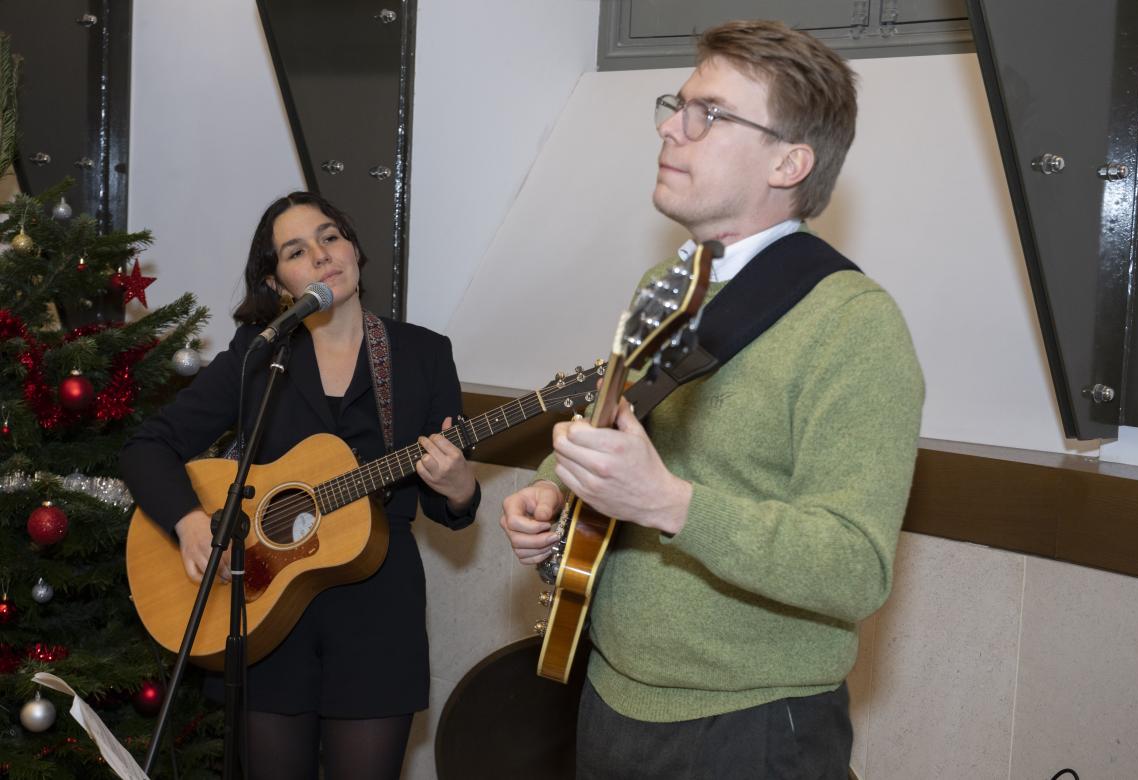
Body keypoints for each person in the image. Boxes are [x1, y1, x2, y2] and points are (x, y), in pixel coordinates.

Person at [499, 19, 924, 779]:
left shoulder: (855, 324)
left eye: (711, 114)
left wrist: (669, 504)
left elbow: (856, 567)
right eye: (678, 105)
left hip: (751, 725)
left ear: (789, 162)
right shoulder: (666, 286)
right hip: (610, 691)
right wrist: (551, 489)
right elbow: (619, 429)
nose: (672, 127)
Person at [121, 191, 480, 779]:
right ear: (277, 284)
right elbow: (147, 447)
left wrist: (460, 485)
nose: (321, 255)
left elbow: (450, 505)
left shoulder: (423, 354)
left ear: (354, 249)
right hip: (264, 610)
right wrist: (190, 522)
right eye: (296, 251)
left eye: (330, 236)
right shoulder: (258, 354)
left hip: (377, 613)